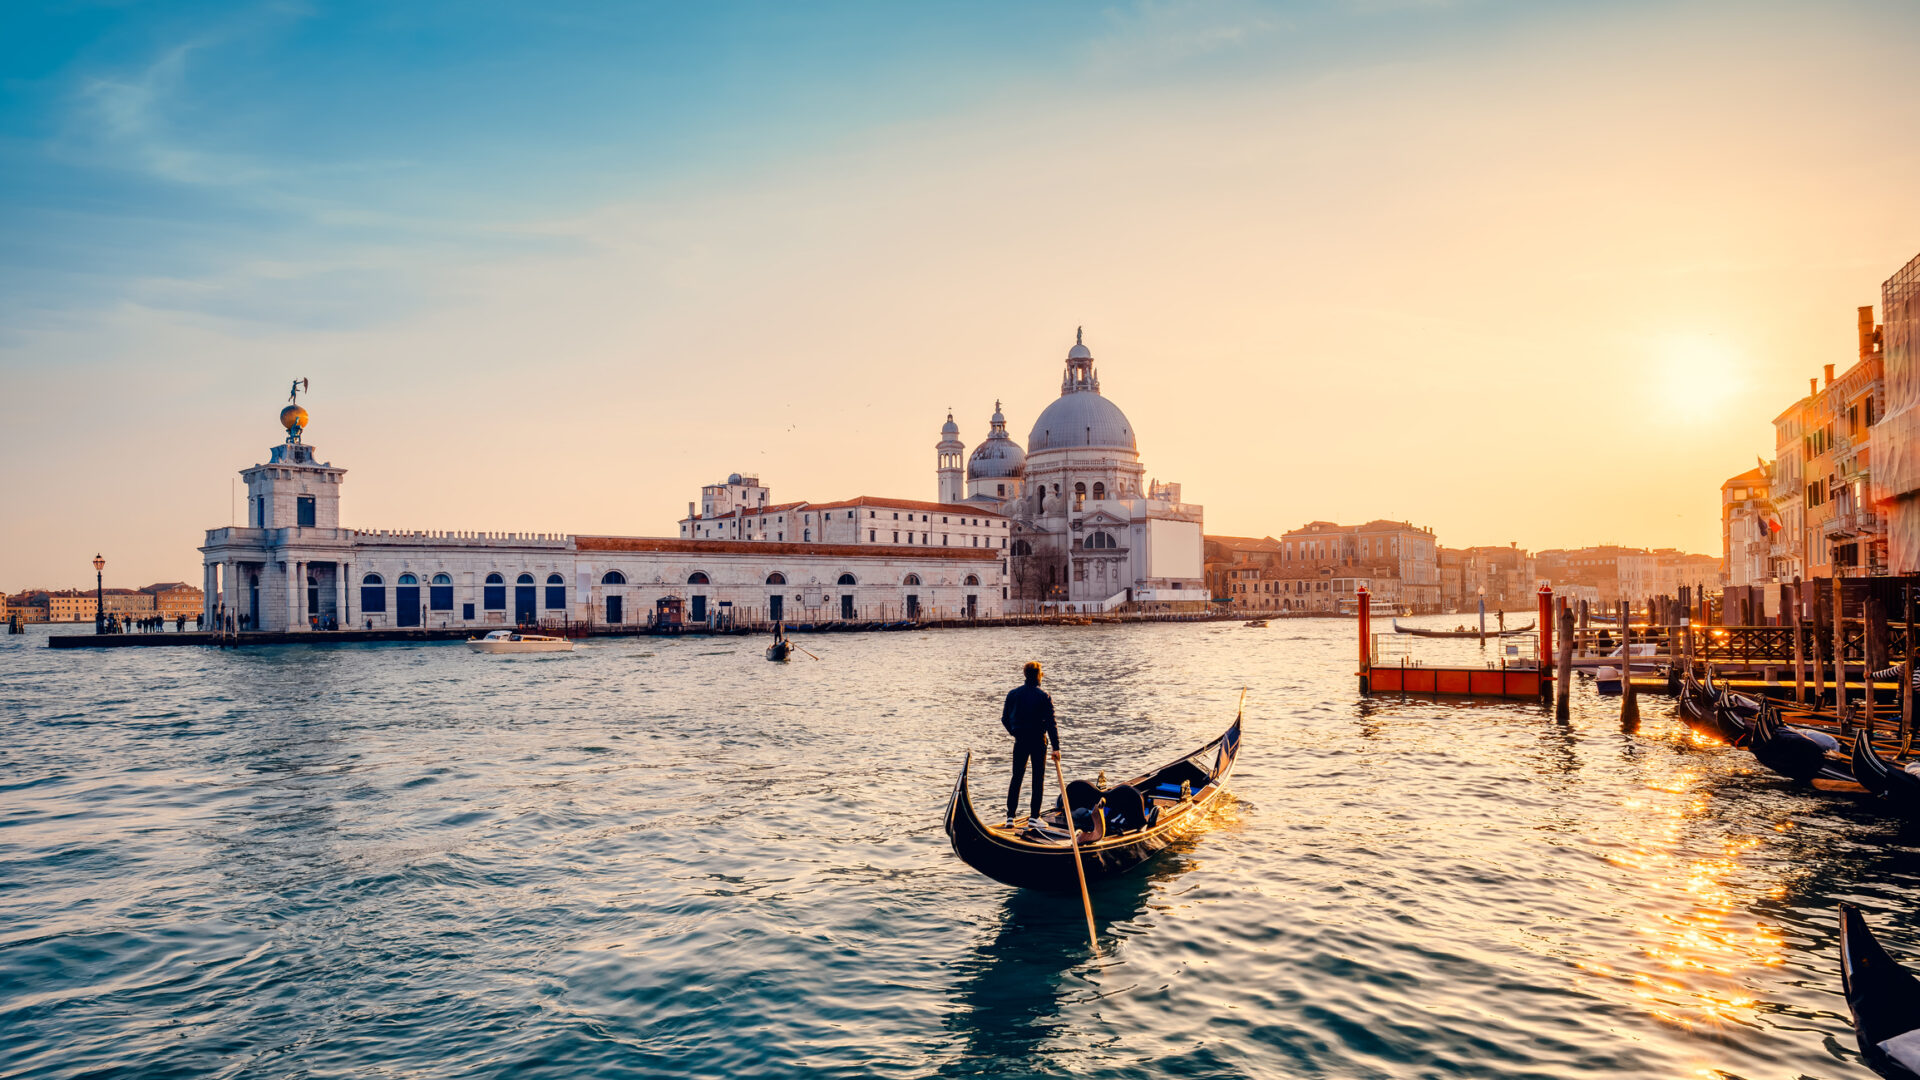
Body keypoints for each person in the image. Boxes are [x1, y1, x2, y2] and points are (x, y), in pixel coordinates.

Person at [1001, 660, 1059, 827]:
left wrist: (1015, 732)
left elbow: (1004, 719)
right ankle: (1034, 817)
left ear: (1025, 675)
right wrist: (1056, 748)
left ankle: (1010, 817)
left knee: (1016, 777)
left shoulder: (1013, 694)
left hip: (1020, 740)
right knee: (1037, 778)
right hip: (1038, 741)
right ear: (1038, 675)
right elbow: (1051, 724)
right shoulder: (1044, 696)